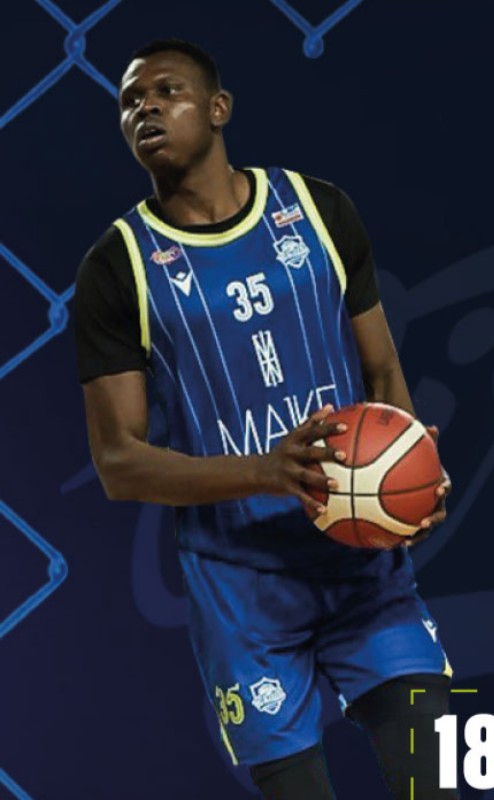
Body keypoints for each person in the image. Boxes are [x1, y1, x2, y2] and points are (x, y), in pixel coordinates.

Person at [75, 39, 456, 799]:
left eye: (167, 91)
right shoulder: (116, 267)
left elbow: (382, 370)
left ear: (219, 109)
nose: (146, 107)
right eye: (130, 101)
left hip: (364, 568)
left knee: (445, 779)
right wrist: (267, 470)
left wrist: (412, 470)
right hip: (244, 599)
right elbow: (117, 462)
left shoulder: (318, 209)